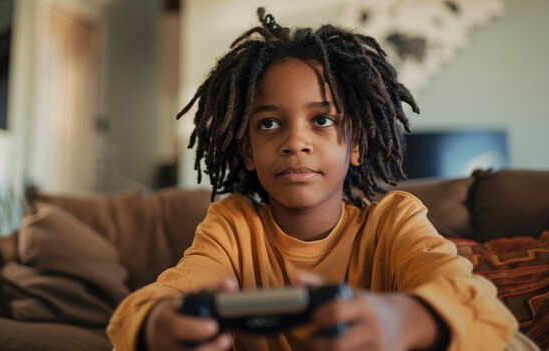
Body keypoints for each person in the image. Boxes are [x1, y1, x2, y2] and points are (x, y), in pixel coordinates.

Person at [107, 8, 518, 351]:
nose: (295, 142)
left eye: (322, 120)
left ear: (355, 145)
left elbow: (485, 312)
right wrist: (156, 324)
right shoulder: (232, 226)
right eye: (268, 124)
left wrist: (404, 320)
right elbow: (146, 308)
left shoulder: (394, 221)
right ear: (248, 151)